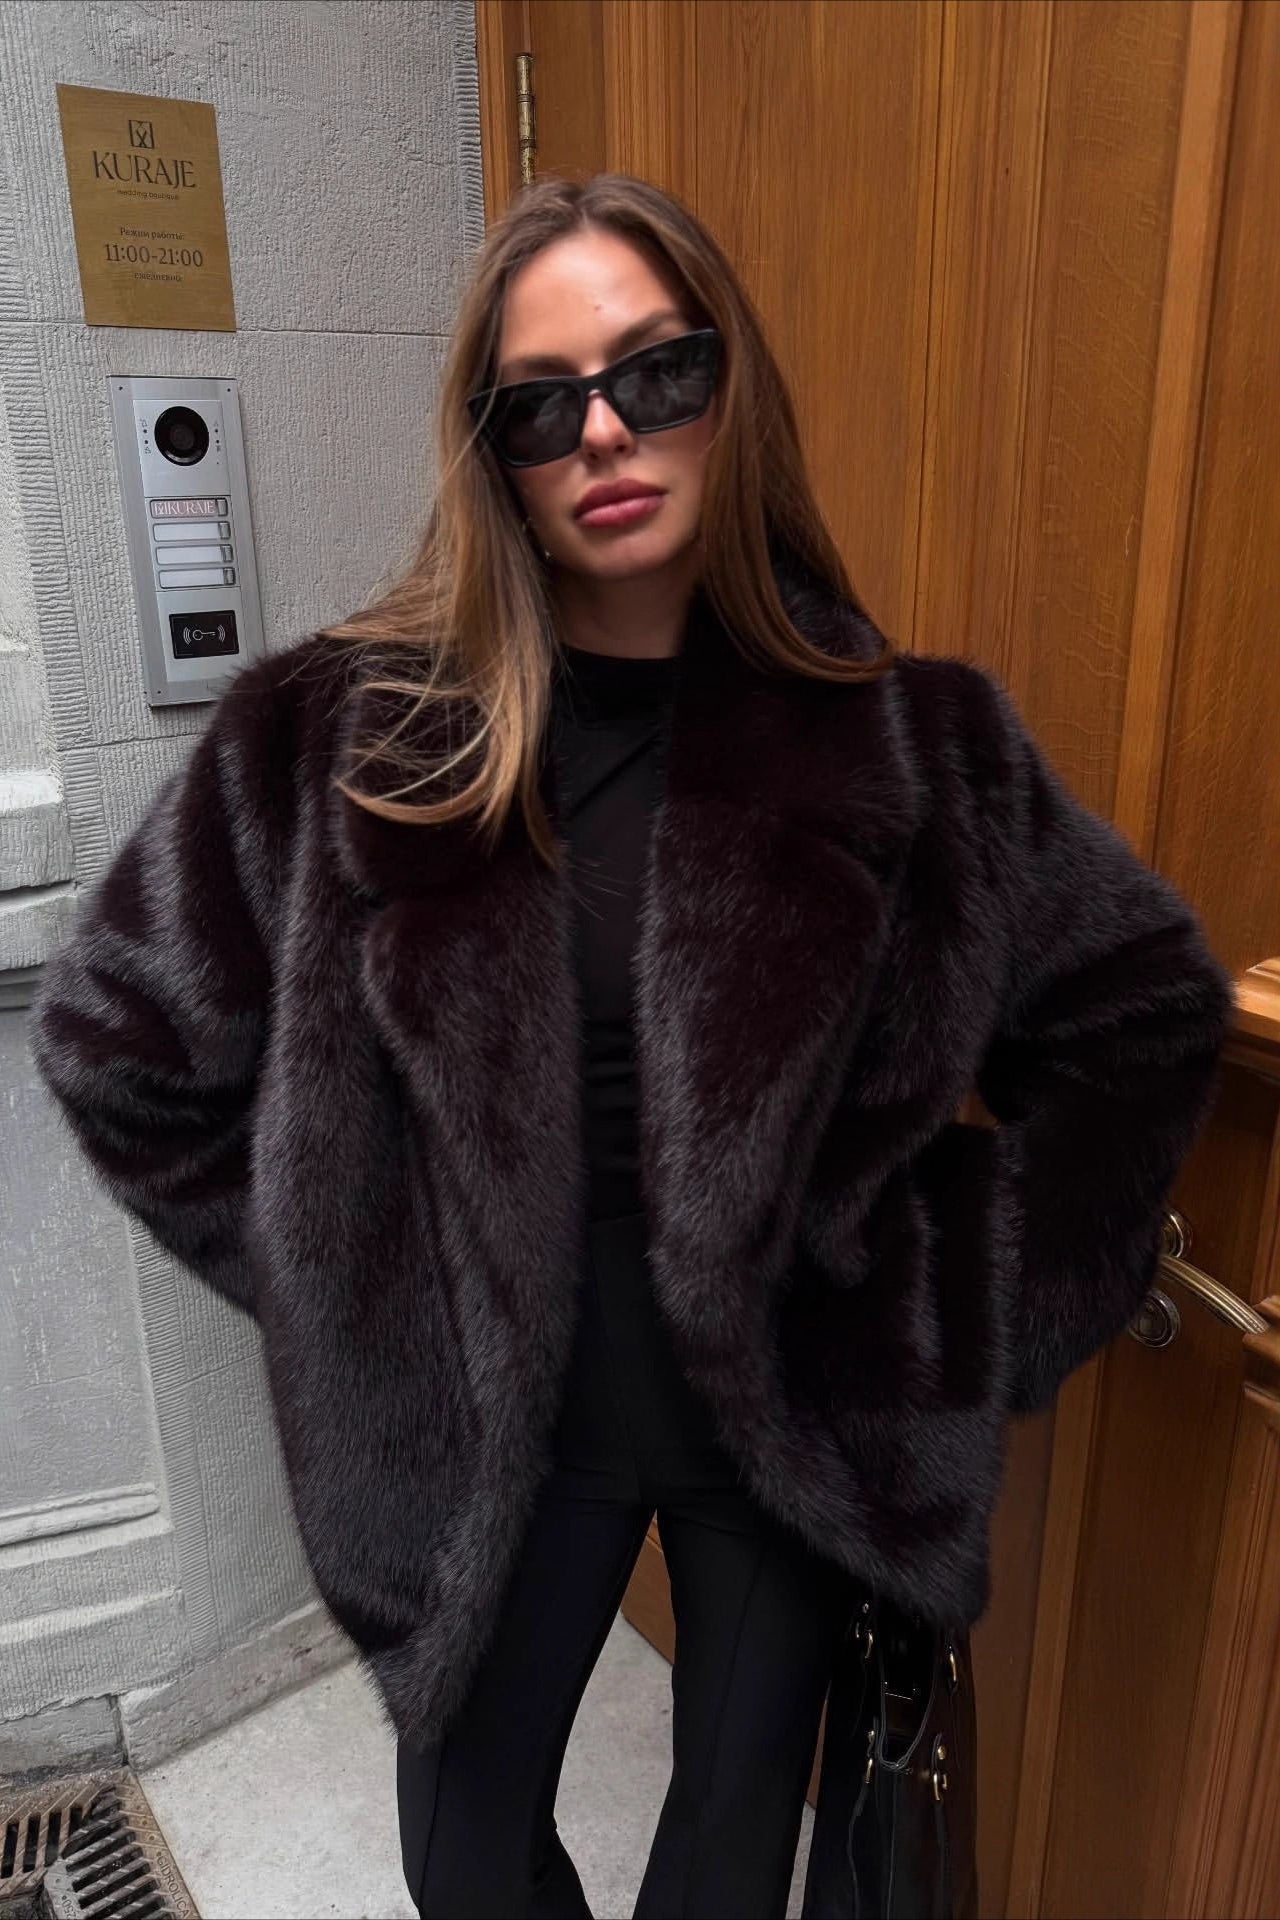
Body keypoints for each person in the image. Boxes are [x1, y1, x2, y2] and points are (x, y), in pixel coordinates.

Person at [28, 173, 1235, 1919]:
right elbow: (116, 1039)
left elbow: (1143, 1018)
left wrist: (951, 1306)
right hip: (491, 1421)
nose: (603, 429)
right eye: (540, 403)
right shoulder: (344, 736)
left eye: (657, 372)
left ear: (733, 389)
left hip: (782, 1410)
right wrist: (356, 1274)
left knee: (728, 1867)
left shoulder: (916, 745)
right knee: (464, 1860)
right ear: (495, 453)